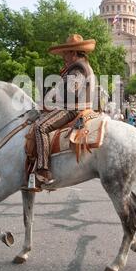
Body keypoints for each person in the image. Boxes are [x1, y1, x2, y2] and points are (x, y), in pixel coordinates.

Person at [34, 34, 96, 185]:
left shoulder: (78, 68)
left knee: (40, 127)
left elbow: (71, 90)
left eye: (65, 53)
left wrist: (51, 99)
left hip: (72, 109)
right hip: (79, 107)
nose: (63, 57)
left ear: (74, 53)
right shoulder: (81, 66)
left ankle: (43, 169)